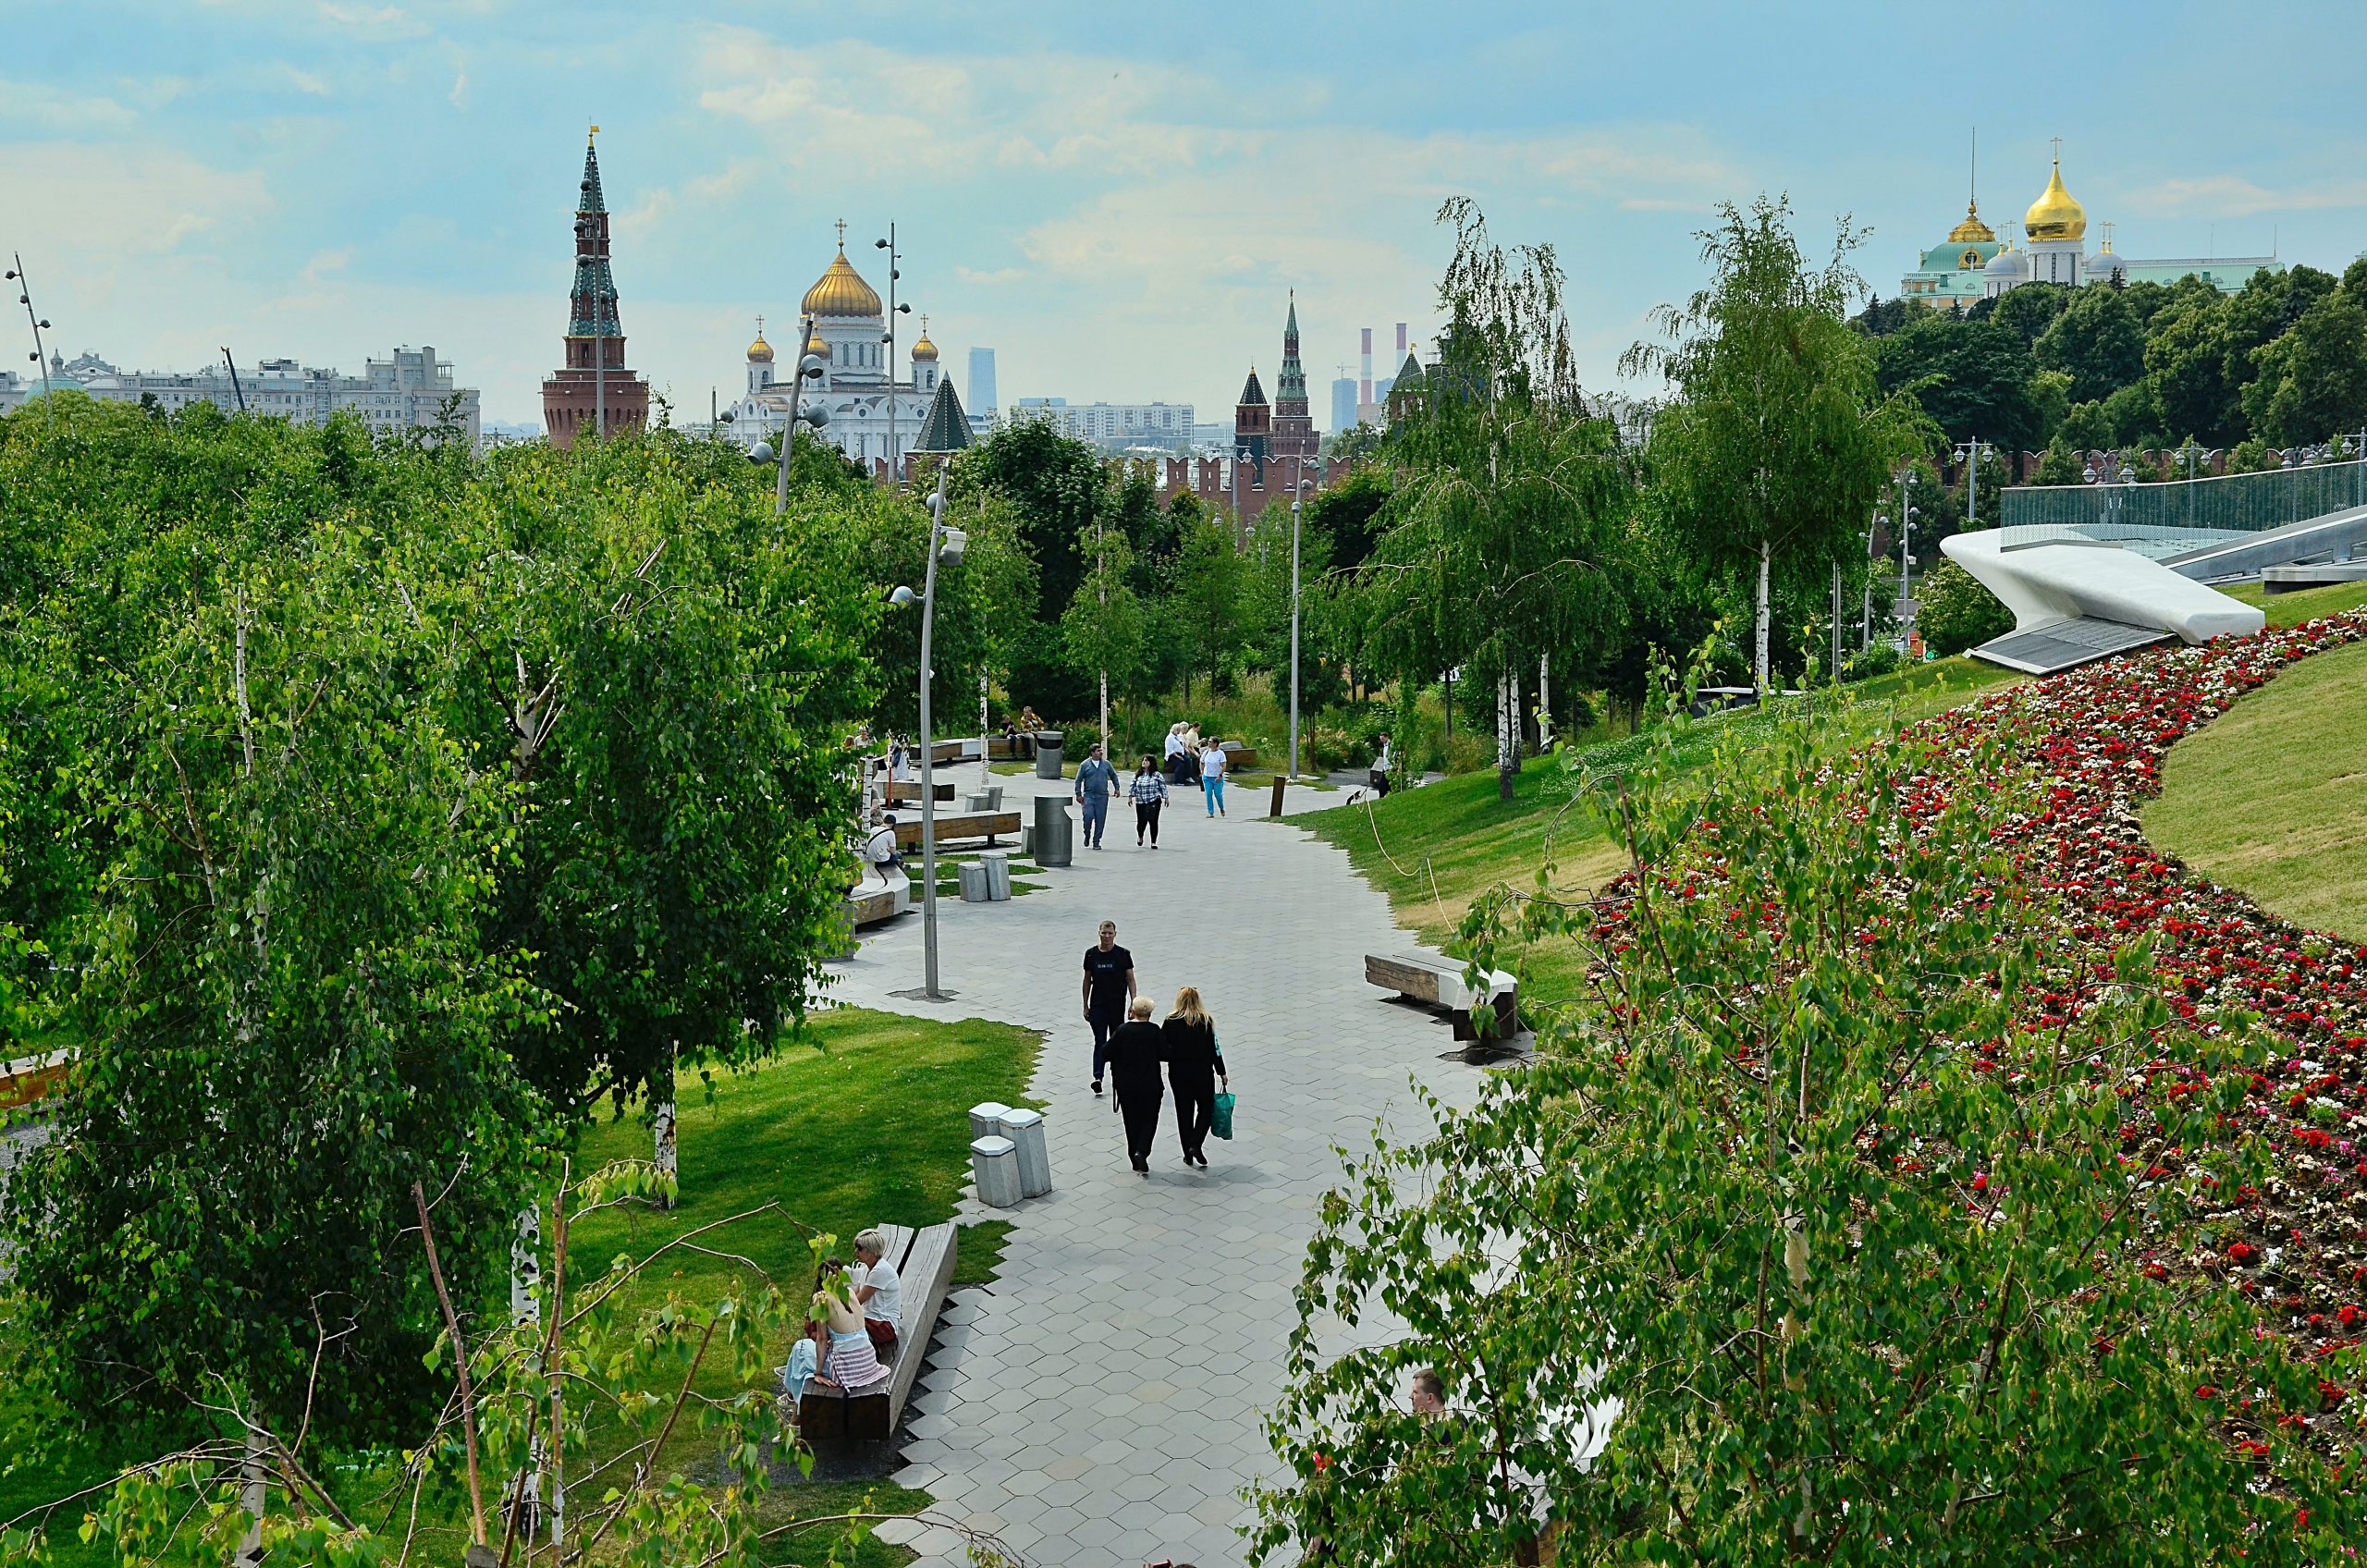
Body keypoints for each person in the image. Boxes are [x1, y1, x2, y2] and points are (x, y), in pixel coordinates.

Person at [1161, 985, 1227, 1168]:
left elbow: (1163, 1048)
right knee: (1206, 1109)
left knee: (1184, 1112)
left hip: (1179, 1073)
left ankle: (1187, 1153)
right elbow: (1215, 1049)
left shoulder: (1170, 1021)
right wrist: (1222, 1072)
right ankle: (1196, 1144)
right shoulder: (1205, 1021)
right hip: (1202, 1073)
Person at [1107, 997, 1167, 1173]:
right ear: (1150, 1013)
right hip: (1151, 1084)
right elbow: (1165, 1054)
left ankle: (1133, 1156)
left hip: (1126, 1086)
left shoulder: (1123, 1030)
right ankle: (1142, 1150)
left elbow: (1106, 1052)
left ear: (1132, 1011)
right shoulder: (1154, 1031)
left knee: (1131, 1121)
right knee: (1150, 1119)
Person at [808, 1265, 886, 1393]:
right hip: (868, 1362)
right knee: (802, 1362)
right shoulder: (849, 1292)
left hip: (847, 1369)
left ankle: (792, 1398)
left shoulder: (821, 1298)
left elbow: (821, 1339)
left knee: (799, 1350)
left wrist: (818, 1373)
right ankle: (795, 1403)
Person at [1081, 919, 1136, 1095]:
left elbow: (1130, 979)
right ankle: (1098, 1077)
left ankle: (1118, 1075)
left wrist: (1133, 1003)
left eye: (1110, 933)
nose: (1106, 936)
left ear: (1115, 934)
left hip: (1117, 1005)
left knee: (1117, 1041)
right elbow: (1087, 981)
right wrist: (1085, 1005)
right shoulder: (1091, 955)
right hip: (1098, 1005)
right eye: (1104, 933)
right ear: (1099, 933)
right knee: (1100, 1041)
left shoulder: (1123, 954)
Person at [851, 1228, 902, 1354]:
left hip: (883, 1325)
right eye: (856, 1247)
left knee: (840, 1325)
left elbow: (857, 1301)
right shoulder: (867, 1268)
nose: (856, 1251)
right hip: (870, 1318)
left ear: (871, 1252)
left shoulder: (879, 1272)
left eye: (860, 1248)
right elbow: (854, 1293)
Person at [1073, 742, 1120, 851]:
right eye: (1098, 751)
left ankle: (1096, 841)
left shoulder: (1106, 764)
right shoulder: (1085, 765)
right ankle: (1087, 834)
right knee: (1088, 816)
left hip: (1102, 796)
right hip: (1089, 796)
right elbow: (1078, 780)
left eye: (1101, 750)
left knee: (1100, 819)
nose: (1101, 752)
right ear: (1092, 753)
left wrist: (1117, 788)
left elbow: (1113, 775)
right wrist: (1078, 794)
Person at [1129, 753, 1170, 848]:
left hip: (1154, 800)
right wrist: (1130, 796)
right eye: (1143, 760)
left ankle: (1153, 842)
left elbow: (1162, 786)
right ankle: (1140, 835)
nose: (1144, 762)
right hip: (1141, 801)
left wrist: (1166, 798)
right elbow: (1132, 786)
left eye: (1146, 760)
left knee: (1153, 821)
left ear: (1151, 763)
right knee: (1141, 822)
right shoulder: (1138, 774)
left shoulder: (1157, 775)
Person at [864, 813, 903, 887]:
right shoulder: (890, 833)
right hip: (881, 861)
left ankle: (899, 863)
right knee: (899, 854)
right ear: (892, 824)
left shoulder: (874, 829)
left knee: (894, 854)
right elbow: (893, 852)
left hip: (871, 860)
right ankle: (900, 865)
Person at [1198, 737, 1228, 817]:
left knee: (1218, 795)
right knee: (1208, 794)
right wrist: (1202, 772)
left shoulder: (1220, 753)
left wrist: (1220, 775)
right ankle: (1210, 812)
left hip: (1217, 778)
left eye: (1210, 742)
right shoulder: (1206, 752)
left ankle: (1221, 808)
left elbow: (1223, 765)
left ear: (1215, 744)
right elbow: (1202, 762)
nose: (1208, 743)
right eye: (1208, 742)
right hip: (1207, 777)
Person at [1370, 733, 1394, 799]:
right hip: (1385, 768)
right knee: (1381, 784)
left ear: (1387, 737)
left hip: (1390, 768)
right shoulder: (1384, 745)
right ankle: (1381, 797)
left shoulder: (1391, 745)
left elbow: (1394, 756)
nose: (1382, 740)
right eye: (1381, 739)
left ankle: (1389, 796)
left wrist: (1393, 766)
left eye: (1383, 739)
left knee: (1389, 785)